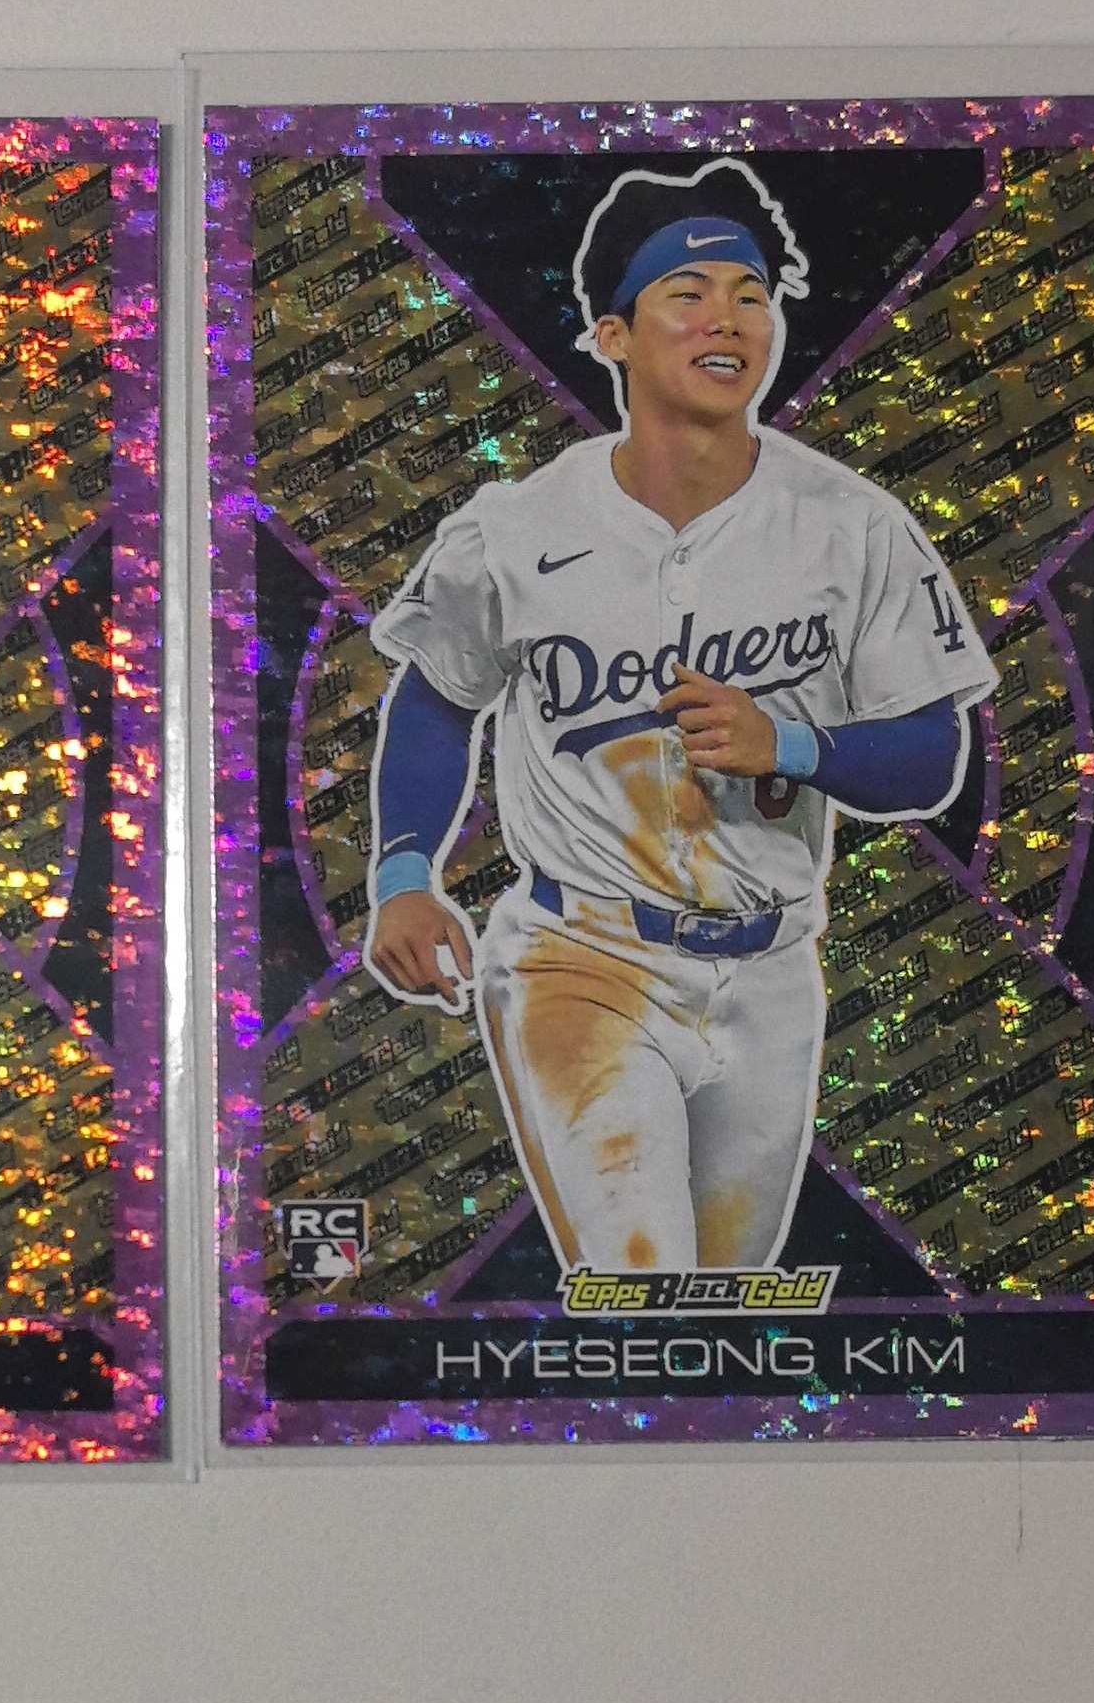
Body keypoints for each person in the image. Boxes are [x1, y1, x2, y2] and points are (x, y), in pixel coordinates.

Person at [362, 156, 996, 1277]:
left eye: (752, 294)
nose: (728, 318)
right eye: (688, 293)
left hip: (773, 968)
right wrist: (405, 873)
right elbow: (437, 698)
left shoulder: (852, 523)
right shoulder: (517, 525)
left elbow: (933, 755)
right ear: (612, 335)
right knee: (643, 1284)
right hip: (581, 954)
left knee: (726, 1310)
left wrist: (790, 744)